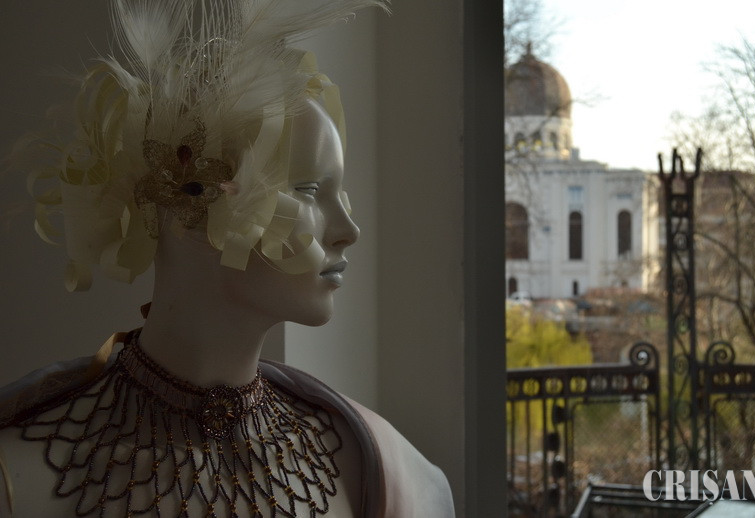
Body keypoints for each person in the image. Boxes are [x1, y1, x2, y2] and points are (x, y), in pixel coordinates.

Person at [0, 1, 455, 516]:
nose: (348, 232)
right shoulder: (21, 475)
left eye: (340, 194)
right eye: (307, 190)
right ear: (189, 204)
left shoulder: (382, 472)